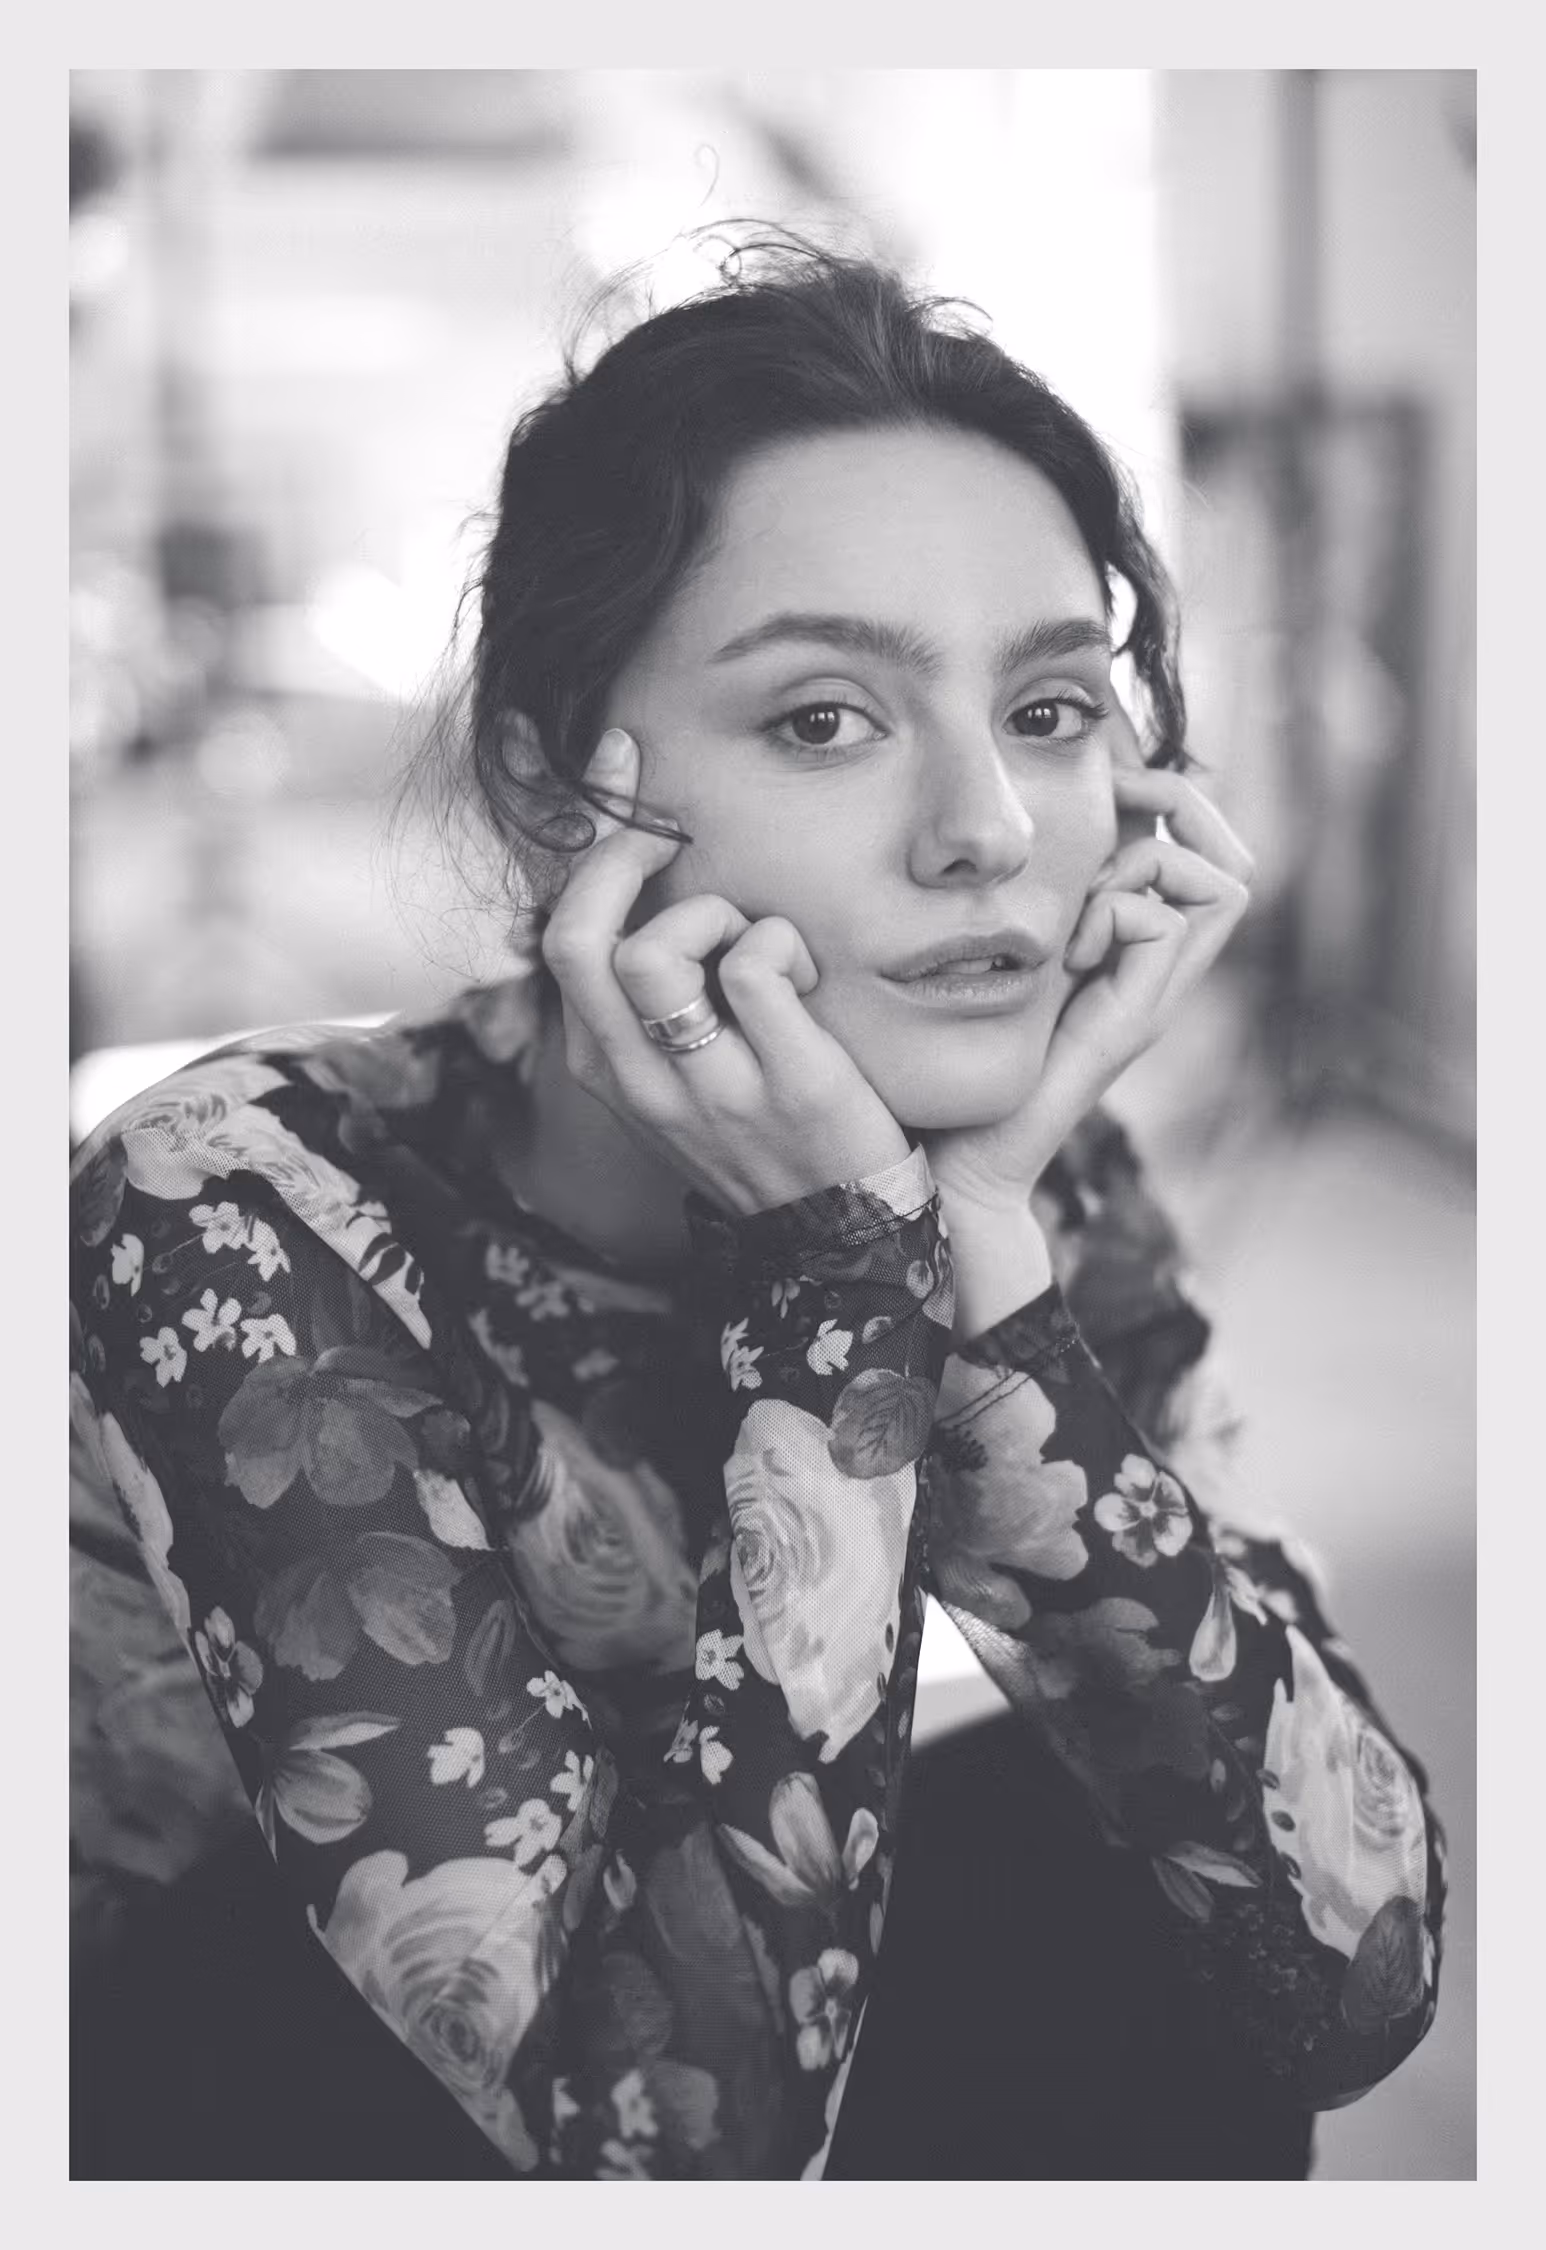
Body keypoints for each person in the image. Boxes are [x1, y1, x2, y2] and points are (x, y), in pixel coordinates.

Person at [68, 240, 1444, 2181]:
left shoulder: (1043, 1172)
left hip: (725, 1996)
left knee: (1123, 1902)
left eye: (1049, 708)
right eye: (823, 718)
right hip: (210, 2116)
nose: (985, 829)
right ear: (559, 800)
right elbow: (654, 2173)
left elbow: (1347, 1987)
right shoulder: (231, 1204)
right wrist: (837, 1296)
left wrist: (970, 1244)